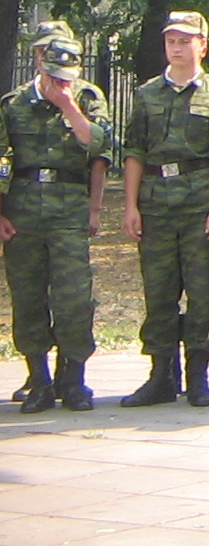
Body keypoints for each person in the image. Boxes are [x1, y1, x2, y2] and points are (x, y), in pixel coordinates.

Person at [120, 10, 209, 409]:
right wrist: (131, 205)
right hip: (156, 203)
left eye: (186, 40)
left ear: (202, 45)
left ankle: (199, 374)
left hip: (199, 202)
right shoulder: (146, 94)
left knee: (202, 290)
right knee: (158, 292)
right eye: (171, 40)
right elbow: (134, 151)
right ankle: (160, 375)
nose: (177, 47)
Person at [1, 27, 113, 413]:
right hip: (23, 208)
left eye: (65, 77)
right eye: (52, 75)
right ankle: (39, 380)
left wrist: (68, 105)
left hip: (69, 207)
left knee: (74, 297)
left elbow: (98, 147)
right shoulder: (14, 103)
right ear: (39, 64)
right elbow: (1, 161)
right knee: (28, 296)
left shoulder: (86, 98)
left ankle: (75, 379)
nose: (58, 83)